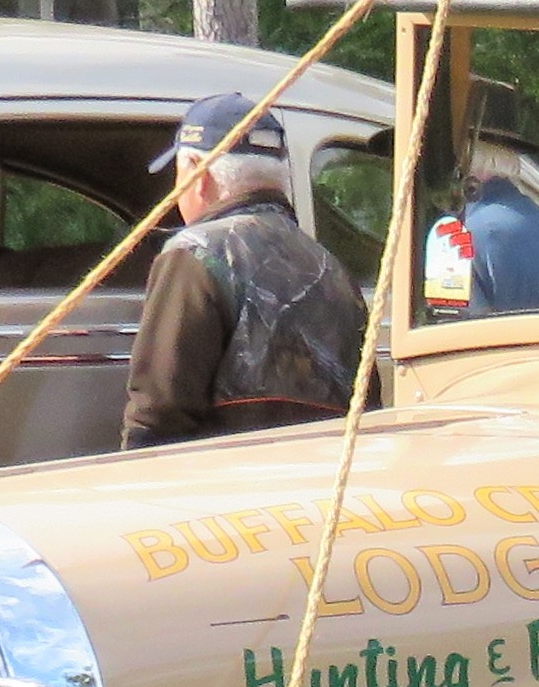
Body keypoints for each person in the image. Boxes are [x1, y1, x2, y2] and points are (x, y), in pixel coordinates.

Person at [122, 92, 368, 447]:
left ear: (198, 175)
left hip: (226, 475)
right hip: (322, 475)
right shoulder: (333, 270)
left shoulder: (194, 253)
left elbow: (159, 410)